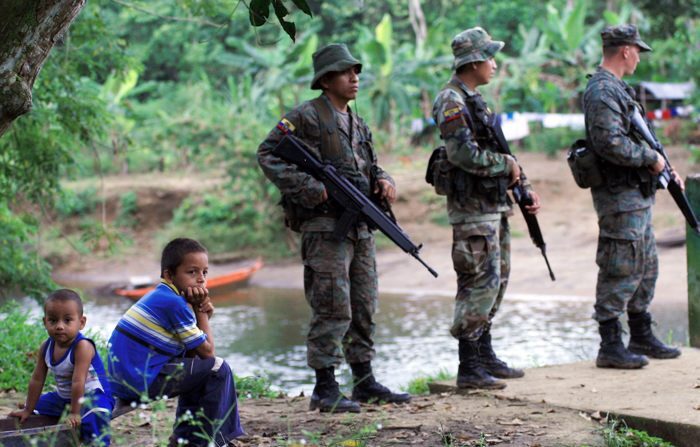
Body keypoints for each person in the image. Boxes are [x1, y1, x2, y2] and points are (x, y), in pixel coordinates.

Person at [257, 43, 411, 413]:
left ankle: (364, 380)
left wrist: (385, 180)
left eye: (356, 71)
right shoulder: (307, 117)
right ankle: (325, 387)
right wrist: (312, 189)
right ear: (326, 80)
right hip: (326, 229)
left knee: (364, 304)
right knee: (331, 305)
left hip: (359, 227)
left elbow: (370, 168)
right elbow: (268, 153)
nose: (354, 78)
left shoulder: (358, 123)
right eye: (346, 72)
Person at [431, 27, 541, 390]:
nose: (494, 64)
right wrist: (504, 165)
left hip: (493, 206)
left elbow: (499, 147)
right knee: (478, 283)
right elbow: (462, 154)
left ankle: (485, 354)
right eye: (490, 58)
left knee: (496, 281)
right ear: (474, 62)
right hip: (472, 210)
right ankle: (469, 365)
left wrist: (521, 183)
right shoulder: (452, 101)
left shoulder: (475, 99)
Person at [582, 24, 682, 369]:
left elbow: (643, 140)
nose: (639, 56)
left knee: (645, 266)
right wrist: (650, 159)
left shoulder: (619, 90)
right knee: (619, 266)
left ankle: (640, 334)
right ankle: (610, 344)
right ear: (625, 51)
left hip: (636, 195)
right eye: (637, 50)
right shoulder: (601, 91)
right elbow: (609, 143)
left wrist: (665, 166)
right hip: (618, 196)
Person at [107, 238, 243, 446]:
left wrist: (200, 314)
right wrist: (201, 313)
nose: (201, 279)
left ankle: (185, 440)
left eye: (204, 272)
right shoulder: (174, 303)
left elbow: (194, 353)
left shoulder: (163, 296)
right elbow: (208, 354)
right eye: (192, 272)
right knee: (218, 368)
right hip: (138, 382)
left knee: (199, 371)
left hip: (127, 380)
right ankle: (210, 441)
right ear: (170, 275)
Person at [10, 289, 114, 446]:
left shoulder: (82, 347)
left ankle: (96, 442)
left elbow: (78, 381)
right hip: (64, 398)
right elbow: (37, 379)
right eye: (53, 320)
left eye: (67, 320)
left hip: (93, 397)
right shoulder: (46, 347)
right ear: (45, 322)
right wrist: (28, 409)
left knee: (96, 414)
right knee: (35, 405)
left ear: (81, 322)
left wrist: (74, 413)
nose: (59, 326)